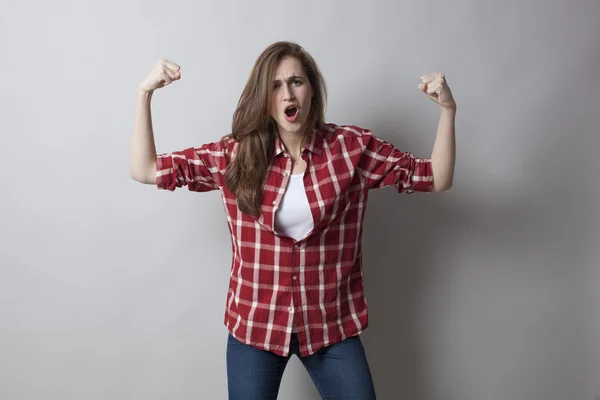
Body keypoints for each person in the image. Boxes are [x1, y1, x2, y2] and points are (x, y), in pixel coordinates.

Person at [130, 41, 456, 399]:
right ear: (264, 97)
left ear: (312, 89)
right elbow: (145, 169)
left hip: (331, 326)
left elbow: (435, 177)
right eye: (275, 85)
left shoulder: (351, 148)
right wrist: (144, 94)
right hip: (256, 326)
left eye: (296, 82)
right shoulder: (234, 154)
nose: (288, 93)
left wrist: (447, 111)